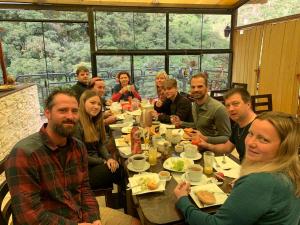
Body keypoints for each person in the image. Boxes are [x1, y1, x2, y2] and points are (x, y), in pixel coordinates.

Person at [174, 111, 300, 225]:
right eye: (250, 133)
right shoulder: (291, 170)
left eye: (264, 139)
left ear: (285, 147)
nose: (250, 143)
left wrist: (183, 199)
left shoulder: (260, 182)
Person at [5, 88, 101, 224]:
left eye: (74, 111)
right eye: (63, 110)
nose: (70, 116)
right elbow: (29, 216)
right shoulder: (25, 153)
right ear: (47, 113)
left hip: (78, 216)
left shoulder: (78, 147)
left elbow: (84, 188)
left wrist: (93, 217)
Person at [75, 90, 123, 190]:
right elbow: (80, 157)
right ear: (83, 103)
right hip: (83, 171)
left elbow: (100, 144)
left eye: (99, 104)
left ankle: (123, 201)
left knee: (117, 166)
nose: (96, 106)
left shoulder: (93, 120)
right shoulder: (77, 125)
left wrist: (109, 158)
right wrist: (102, 161)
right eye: (92, 103)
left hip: (94, 164)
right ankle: (127, 202)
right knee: (119, 170)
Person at [197, 88, 256, 161]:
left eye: (235, 104)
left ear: (248, 104)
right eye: (227, 105)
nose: (231, 109)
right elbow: (226, 148)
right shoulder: (237, 125)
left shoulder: (259, 127)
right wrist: (207, 145)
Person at [172, 73, 231, 144]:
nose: (196, 90)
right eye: (193, 87)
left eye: (200, 86)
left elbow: (227, 138)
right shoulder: (195, 104)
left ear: (207, 88)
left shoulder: (218, 109)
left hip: (213, 151)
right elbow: (199, 125)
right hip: (198, 145)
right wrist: (181, 123)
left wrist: (204, 138)